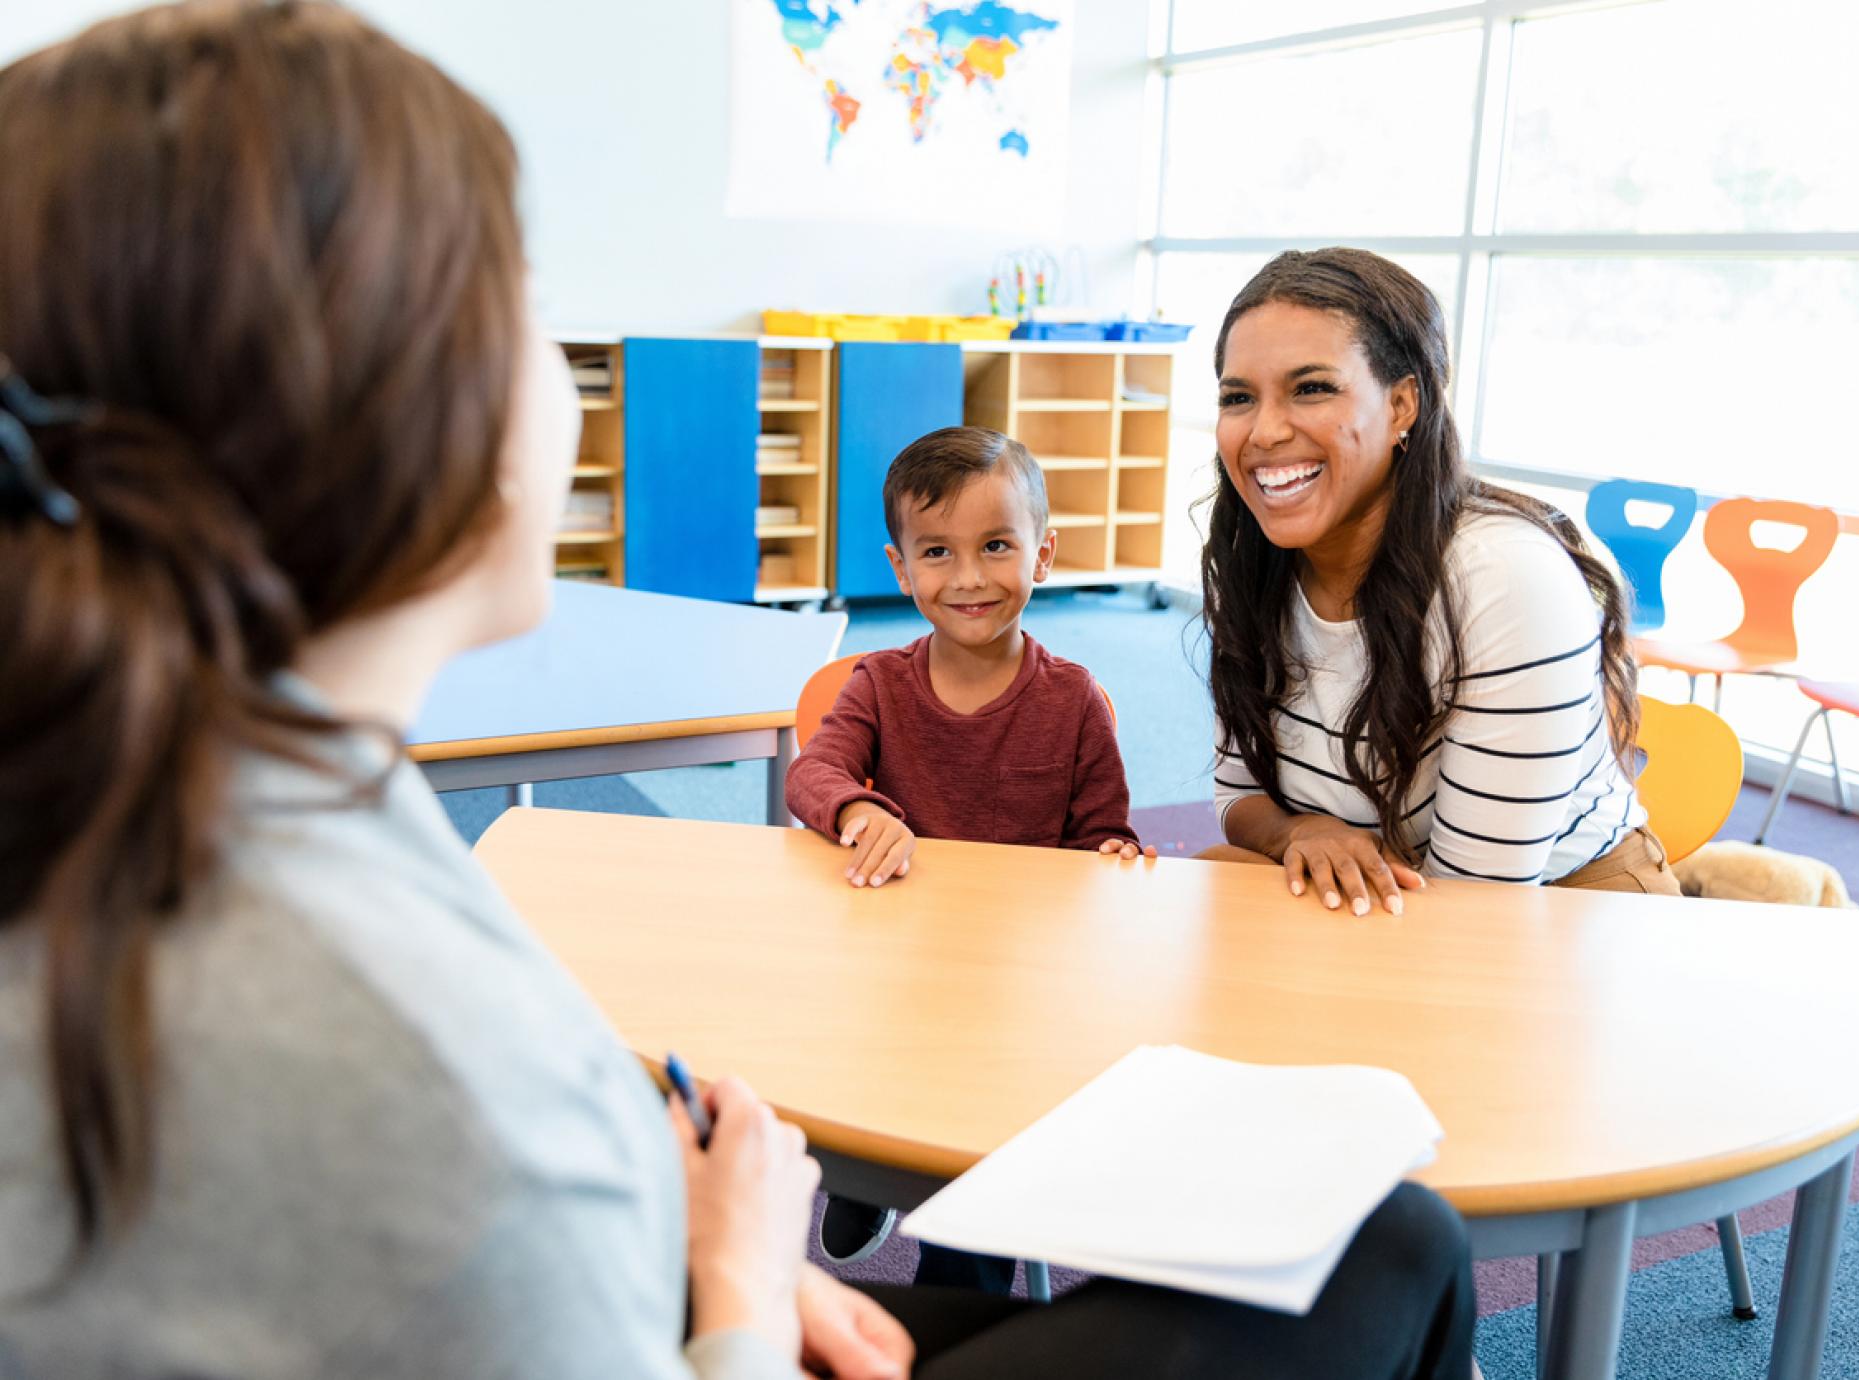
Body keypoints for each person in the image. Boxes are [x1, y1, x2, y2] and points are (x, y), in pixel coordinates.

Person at [0, 8, 1475, 1377]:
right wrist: (741, 1286)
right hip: (712, 1323)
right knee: (1395, 1247)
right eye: (525, 306)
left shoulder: (214, 773)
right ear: (392, 409)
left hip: (688, 1278)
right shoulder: (409, 1083)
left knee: (1383, 1239)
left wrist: (710, 1247)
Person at [785, 424, 1150, 1290]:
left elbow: (1107, 837)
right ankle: (862, 1168)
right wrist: (859, 810)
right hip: (897, 970)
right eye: (937, 553)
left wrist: (1113, 857)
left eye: (996, 546)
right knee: (836, 1052)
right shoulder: (878, 683)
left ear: (1044, 553)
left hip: (1018, 987)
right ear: (901, 569)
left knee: (973, 1187)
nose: (971, 578)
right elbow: (815, 773)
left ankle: (957, 1272)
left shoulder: (1074, 703)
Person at [1202, 248, 1675, 909]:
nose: (1266, 429)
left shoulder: (1505, 578)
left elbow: (1477, 901)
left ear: (1402, 405)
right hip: (1383, 897)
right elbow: (1238, 794)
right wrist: (1299, 830)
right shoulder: (1251, 553)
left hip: (1557, 910)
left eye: (1311, 388)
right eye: (1239, 397)